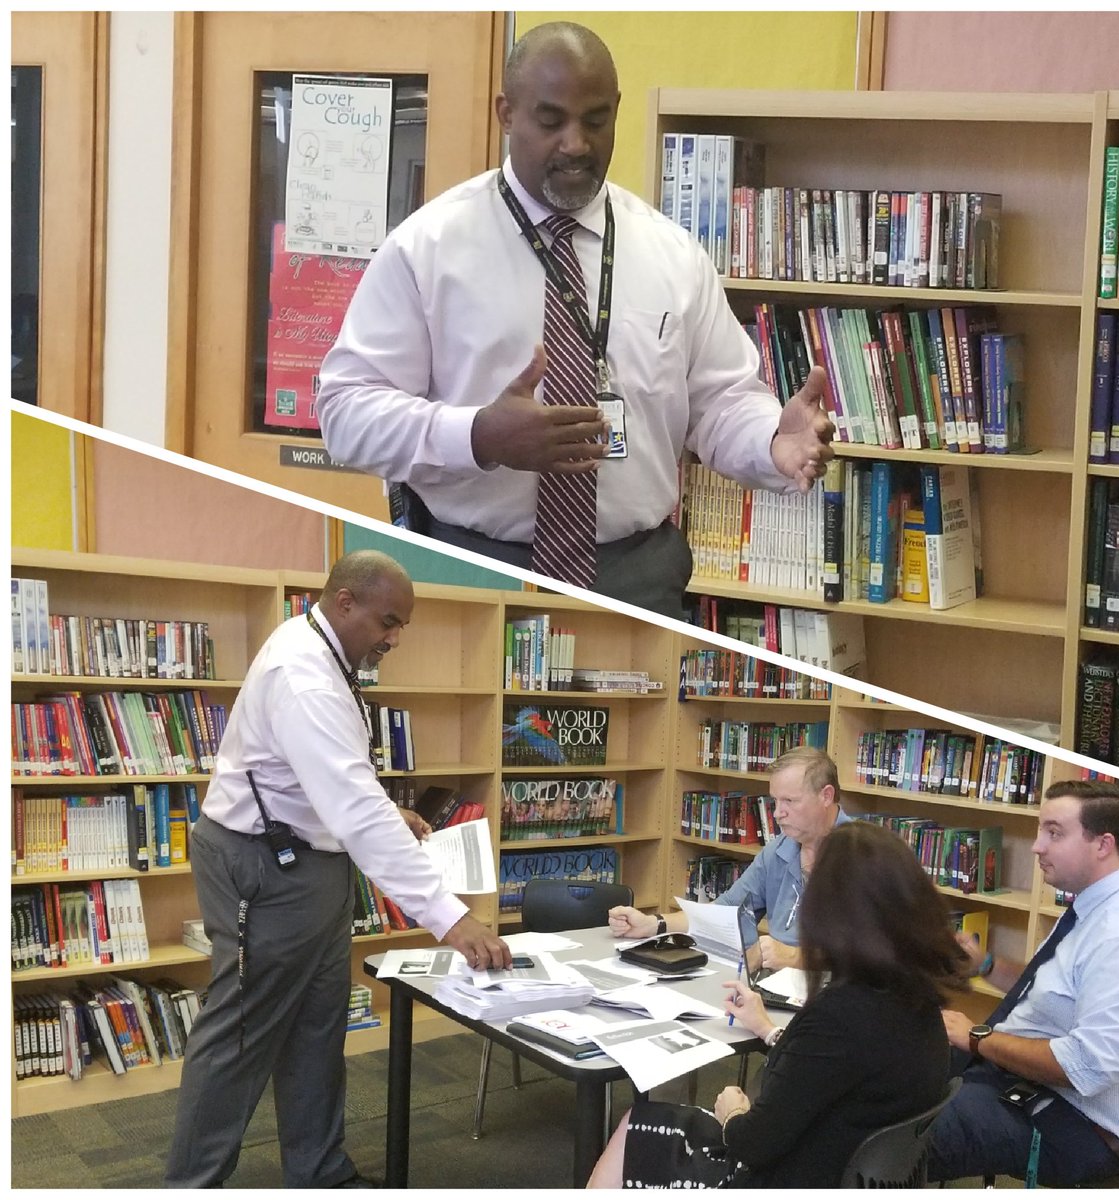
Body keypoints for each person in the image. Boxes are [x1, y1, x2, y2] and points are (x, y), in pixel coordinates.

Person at [316, 21, 834, 620]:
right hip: (473, 568)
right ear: (506, 113)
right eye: (550, 119)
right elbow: (346, 413)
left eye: (594, 120)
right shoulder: (426, 249)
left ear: (616, 111)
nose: (575, 144)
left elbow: (719, 404)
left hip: (636, 577)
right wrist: (479, 435)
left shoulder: (673, 256)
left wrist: (773, 441)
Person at [165, 551, 511, 1188]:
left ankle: (321, 1173)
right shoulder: (305, 674)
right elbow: (351, 808)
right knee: (239, 1041)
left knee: (318, 1027)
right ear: (345, 602)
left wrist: (383, 814)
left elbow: (333, 779)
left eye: (402, 625)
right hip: (264, 871)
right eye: (388, 621)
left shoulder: (324, 650)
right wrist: (451, 919)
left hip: (308, 861)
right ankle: (192, 1185)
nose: (394, 638)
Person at [586, 821, 968, 1188]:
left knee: (638, 1125)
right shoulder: (917, 1000)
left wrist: (733, 1113)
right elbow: (836, 1069)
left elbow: (752, 1143)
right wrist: (769, 1030)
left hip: (784, 1175)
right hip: (849, 1172)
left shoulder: (841, 1013)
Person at [928, 779, 1119, 1187]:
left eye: (1054, 833)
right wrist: (988, 965)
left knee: (894, 1135)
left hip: (1077, 1124)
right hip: (1028, 1083)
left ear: (1102, 845)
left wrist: (978, 1037)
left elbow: (1087, 1066)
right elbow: (1058, 991)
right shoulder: (1098, 903)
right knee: (887, 1072)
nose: (1036, 847)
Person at [607, 746, 851, 969]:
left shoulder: (864, 856)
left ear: (826, 796)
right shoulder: (779, 850)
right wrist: (653, 924)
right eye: (775, 800)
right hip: (779, 985)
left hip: (835, 991)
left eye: (790, 801)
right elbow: (725, 911)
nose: (777, 813)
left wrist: (795, 957)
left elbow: (873, 953)